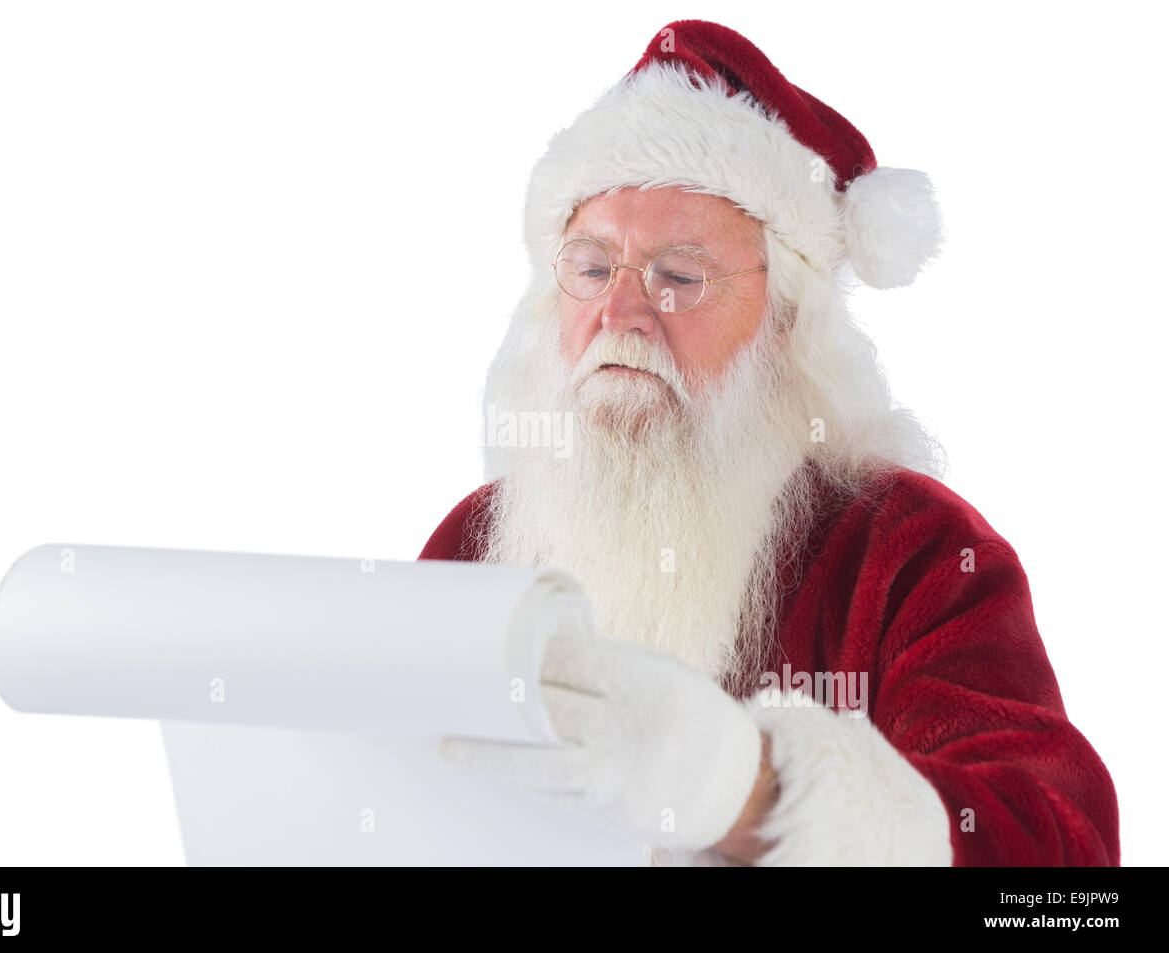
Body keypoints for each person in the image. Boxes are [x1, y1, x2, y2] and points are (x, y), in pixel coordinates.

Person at [419, 19, 1118, 866]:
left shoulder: (913, 554)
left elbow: (1066, 876)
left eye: (680, 276)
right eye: (593, 269)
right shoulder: (475, 542)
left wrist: (748, 790)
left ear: (787, 323)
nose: (622, 314)